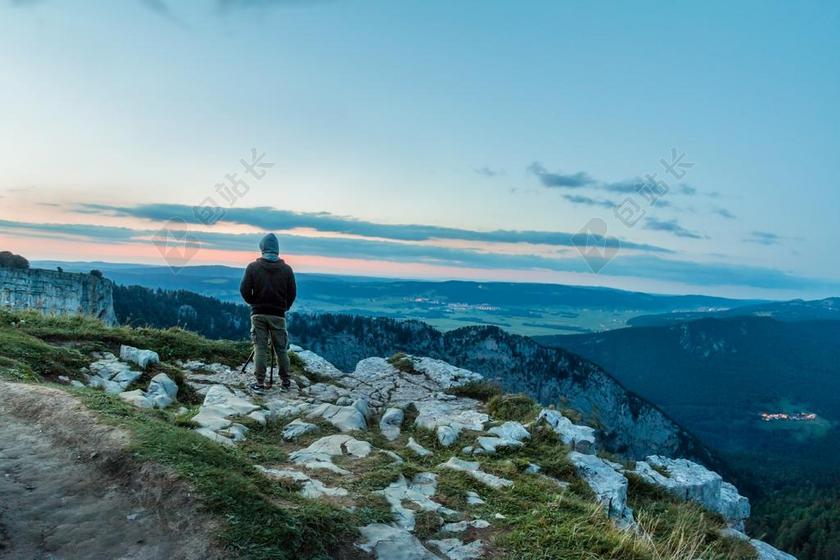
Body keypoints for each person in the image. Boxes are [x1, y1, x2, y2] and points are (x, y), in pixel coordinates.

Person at [239, 233, 296, 392]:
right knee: (281, 349)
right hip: (278, 315)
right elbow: (292, 293)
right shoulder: (286, 269)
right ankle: (285, 382)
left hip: (258, 314)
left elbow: (244, 289)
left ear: (262, 248)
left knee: (260, 348)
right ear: (277, 249)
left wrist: (253, 303)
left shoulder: (253, 267)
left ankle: (259, 383)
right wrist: (284, 307)